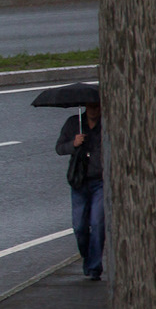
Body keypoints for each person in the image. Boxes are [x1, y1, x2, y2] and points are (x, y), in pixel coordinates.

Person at [56, 102, 104, 281]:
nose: (93, 110)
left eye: (97, 107)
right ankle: (88, 258)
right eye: (90, 107)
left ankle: (94, 267)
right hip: (79, 182)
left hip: (100, 182)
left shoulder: (106, 124)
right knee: (80, 227)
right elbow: (59, 148)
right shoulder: (73, 123)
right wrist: (73, 144)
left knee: (98, 224)